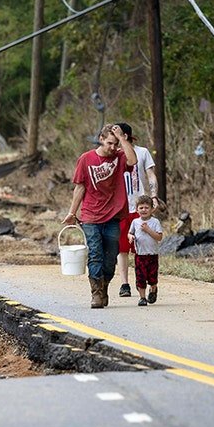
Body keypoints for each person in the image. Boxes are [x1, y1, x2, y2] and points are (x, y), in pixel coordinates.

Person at [63, 124, 137, 308]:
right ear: (101, 139)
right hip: (90, 215)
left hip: (113, 215)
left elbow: (133, 161)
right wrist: (72, 212)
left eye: (115, 144)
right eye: (110, 143)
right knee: (95, 254)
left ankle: (104, 287)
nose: (113, 147)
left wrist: (122, 139)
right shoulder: (86, 159)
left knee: (111, 257)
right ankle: (96, 293)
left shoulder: (120, 157)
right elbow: (80, 187)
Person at [112, 123, 159, 298]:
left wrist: (153, 196)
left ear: (125, 135)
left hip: (140, 206)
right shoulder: (114, 154)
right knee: (122, 248)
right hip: (121, 207)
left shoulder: (142, 152)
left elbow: (151, 174)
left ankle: (146, 281)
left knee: (142, 246)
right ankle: (125, 283)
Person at [127, 195, 165, 306]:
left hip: (152, 255)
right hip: (140, 255)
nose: (144, 210)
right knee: (140, 277)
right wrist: (130, 237)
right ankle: (142, 298)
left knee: (152, 278)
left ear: (152, 209)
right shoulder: (135, 222)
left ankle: (153, 289)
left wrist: (148, 230)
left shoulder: (155, 222)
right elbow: (130, 233)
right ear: (136, 209)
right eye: (141, 208)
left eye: (146, 207)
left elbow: (159, 237)